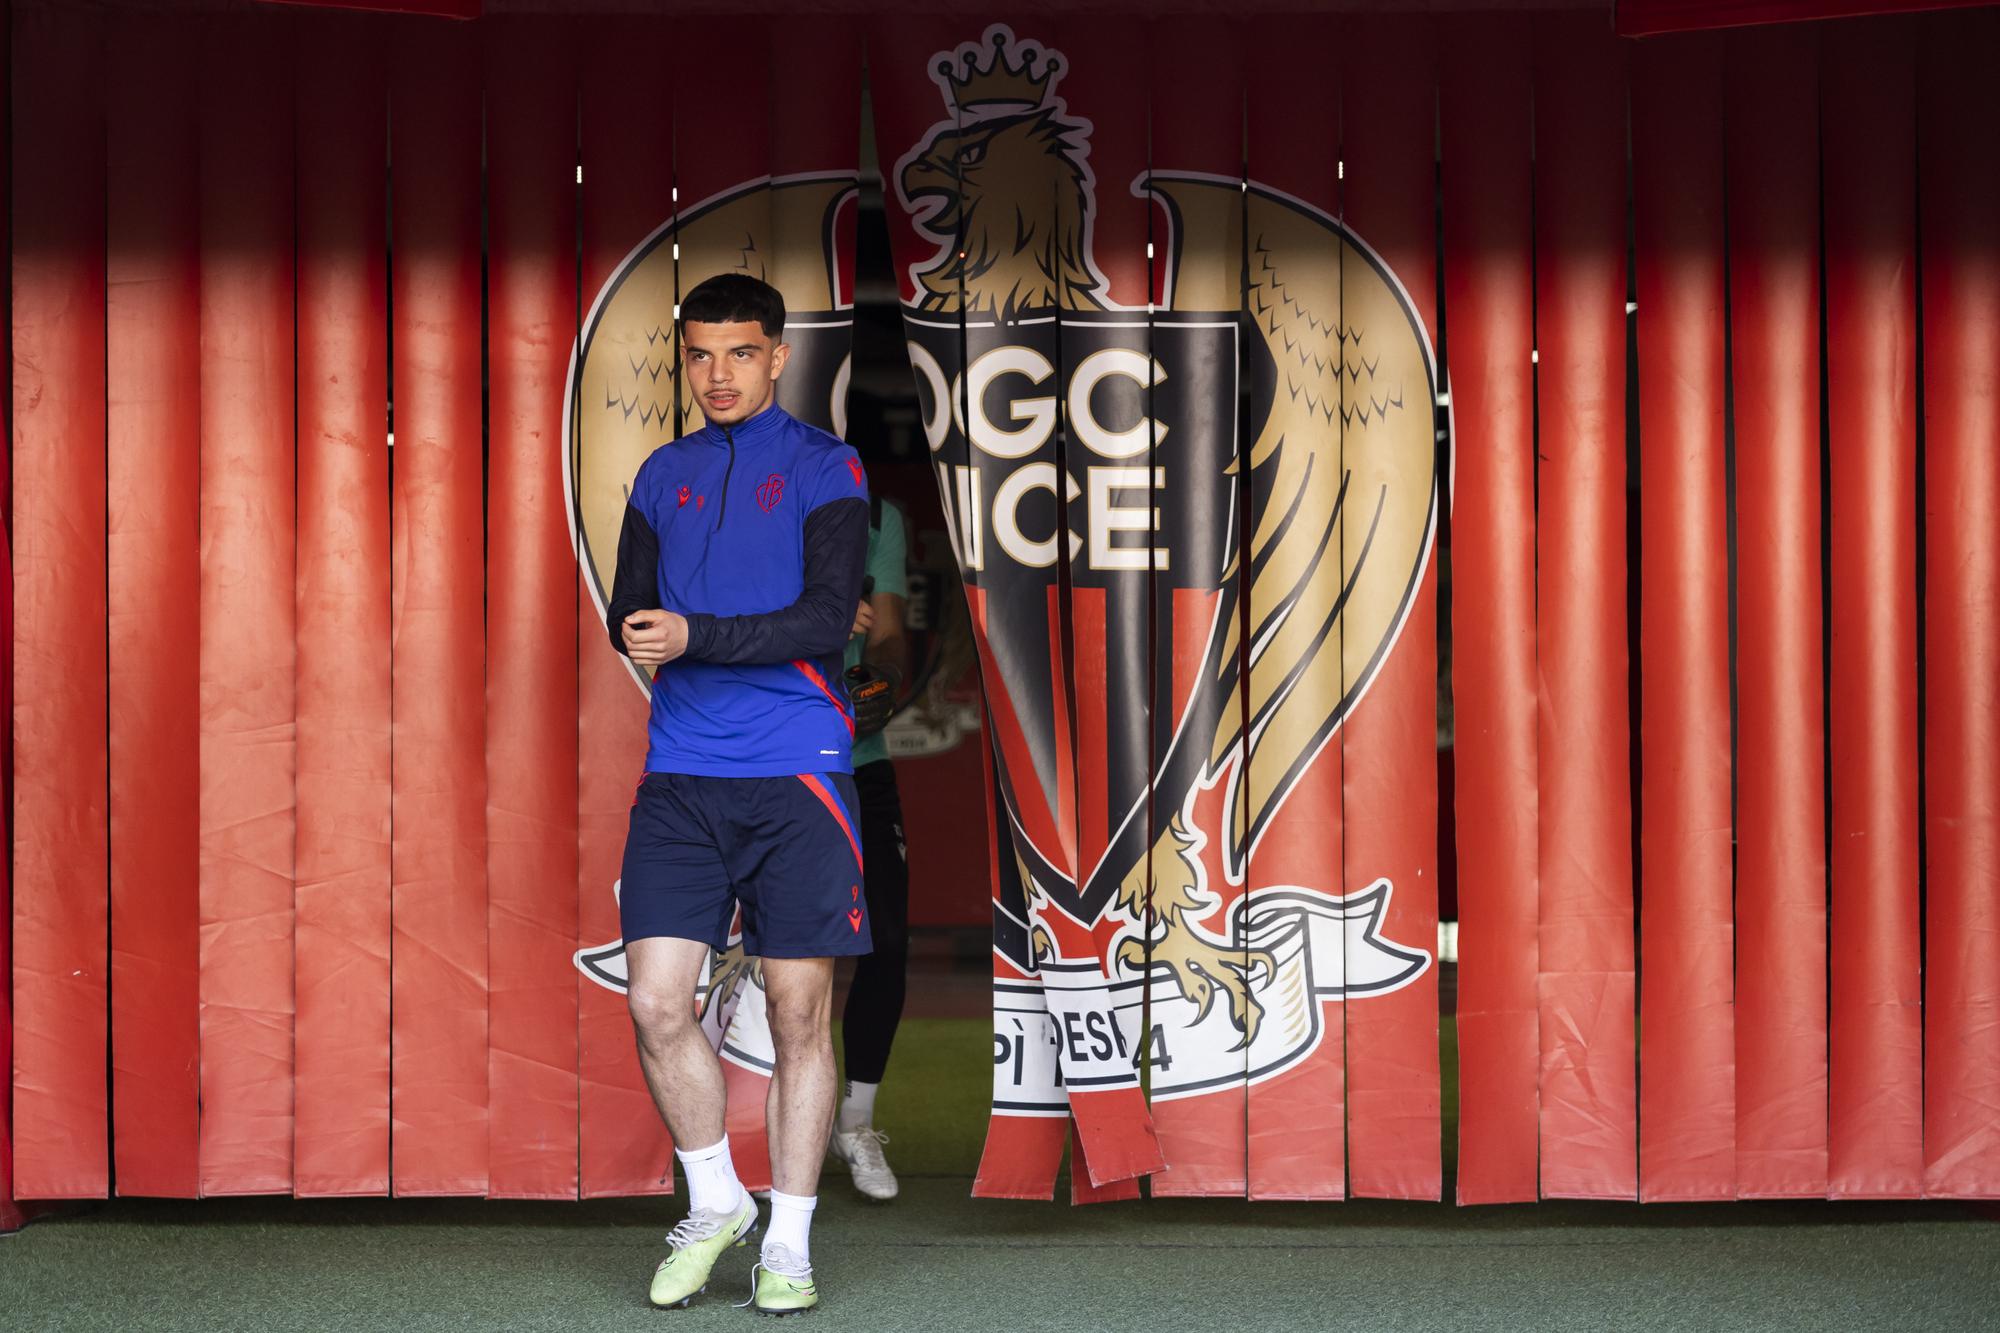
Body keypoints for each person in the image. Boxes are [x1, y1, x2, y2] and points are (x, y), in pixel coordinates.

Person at [606, 272, 870, 1315]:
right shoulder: (659, 472)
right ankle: (715, 1198)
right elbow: (632, 611)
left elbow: (824, 617)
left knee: (800, 1015)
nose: (717, 375)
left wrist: (695, 635)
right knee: (657, 1003)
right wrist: (648, 630)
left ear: (777, 357)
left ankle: (790, 1243)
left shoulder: (825, 466)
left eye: (739, 353)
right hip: (681, 777)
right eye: (701, 355)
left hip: (798, 772)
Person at [829, 500, 911, 1201]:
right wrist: (821, 611)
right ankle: (755, 1129)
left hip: (861, 762)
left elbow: (887, 634)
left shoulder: (876, 514)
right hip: (774, 761)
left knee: (886, 939)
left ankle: (856, 1121)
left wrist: (877, 678)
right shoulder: (743, 486)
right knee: (781, 955)